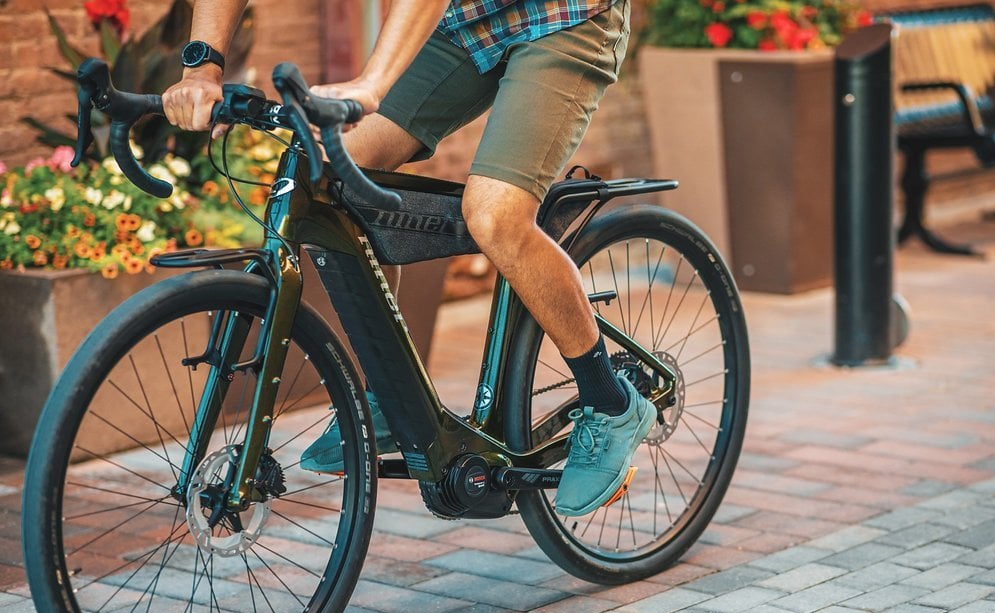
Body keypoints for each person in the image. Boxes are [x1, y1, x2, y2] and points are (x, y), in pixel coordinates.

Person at [162, 0, 653, 518]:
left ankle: (611, 401)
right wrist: (202, 65)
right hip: (465, 19)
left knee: (494, 216)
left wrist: (373, 84)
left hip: (563, 16)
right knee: (328, 171)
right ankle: (393, 402)